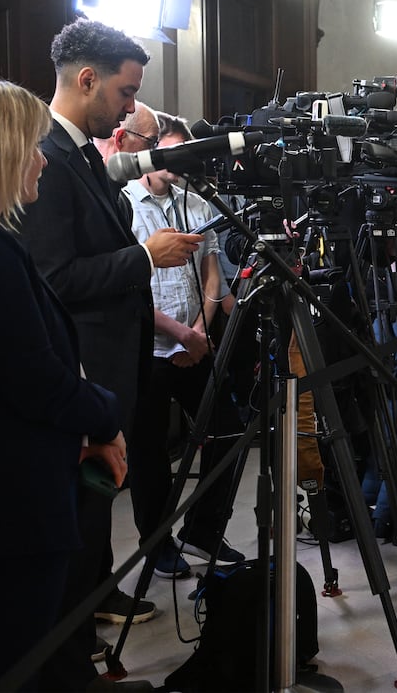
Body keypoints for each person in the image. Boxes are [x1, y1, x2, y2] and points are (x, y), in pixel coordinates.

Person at [0, 77, 125, 691]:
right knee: (2, 665)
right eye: (31, 146)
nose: (42, 160)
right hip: (6, 506)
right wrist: (107, 414)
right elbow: (34, 377)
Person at [18, 20, 200, 661]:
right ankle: (71, 644)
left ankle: (92, 601)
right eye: (126, 92)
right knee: (82, 504)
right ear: (88, 79)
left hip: (114, 358)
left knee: (97, 502)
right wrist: (146, 258)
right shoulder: (45, 155)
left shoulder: (82, 154)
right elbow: (55, 278)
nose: (130, 108)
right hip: (83, 362)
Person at [121, 107, 246, 578]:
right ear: (151, 152)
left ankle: (204, 528)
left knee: (229, 433)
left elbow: (212, 273)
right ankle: (157, 546)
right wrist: (178, 333)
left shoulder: (196, 203)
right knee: (150, 454)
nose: (179, 162)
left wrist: (197, 330)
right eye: (172, 153)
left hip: (194, 342)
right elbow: (127, 287)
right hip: (149, 348)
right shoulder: (124, 203)